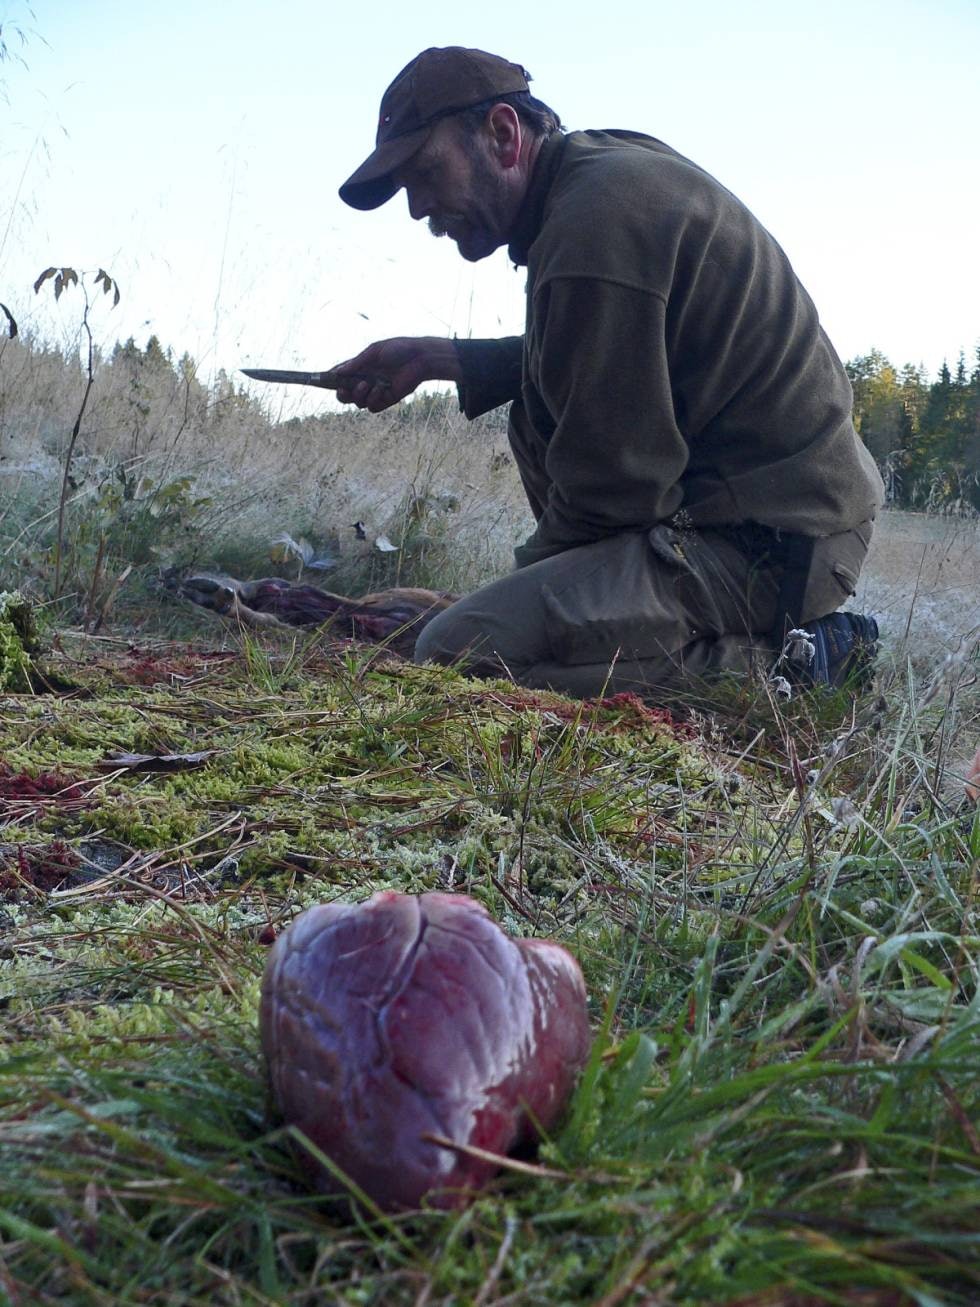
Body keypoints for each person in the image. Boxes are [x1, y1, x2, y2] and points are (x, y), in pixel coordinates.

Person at [333, 46, 884, 702]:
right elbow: (614, 345)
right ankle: (692, 639)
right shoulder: (597, 172)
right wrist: (440, 359)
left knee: (458, 652)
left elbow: (613, 494)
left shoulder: (590, 230)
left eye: (425, 173)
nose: (420, 210)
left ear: (504, 135)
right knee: (530, 417)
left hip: (773, 544)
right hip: (785, 512)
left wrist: (511, 598)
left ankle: (794, 674)